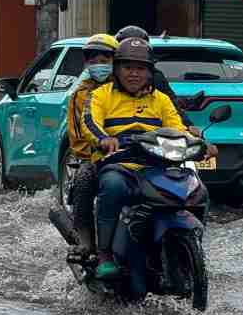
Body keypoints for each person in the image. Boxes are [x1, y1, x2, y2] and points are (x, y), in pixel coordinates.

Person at [88, 38, 187, 282]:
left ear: (150, 72)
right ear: (117, 69)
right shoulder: (100, 95)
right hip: (118, 165)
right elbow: (89, 122)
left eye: (140, 68)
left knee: (197, 191)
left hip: (158, 167)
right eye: (128, 67)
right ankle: (105, 254)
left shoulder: (161, 100)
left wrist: (200, 144)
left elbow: (177, 127)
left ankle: (186, 251)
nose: (134, 74)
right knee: (112, 187)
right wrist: (103, 139)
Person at [64, 33, 119, 253]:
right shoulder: (82, 94)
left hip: (136, 153)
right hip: (97, 155)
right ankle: (86, 240)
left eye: (104, 62)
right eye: (93, 62)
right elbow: (80, 135)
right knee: (84, 181)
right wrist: (101, 146)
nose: (99, 66)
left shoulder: (134, 88)